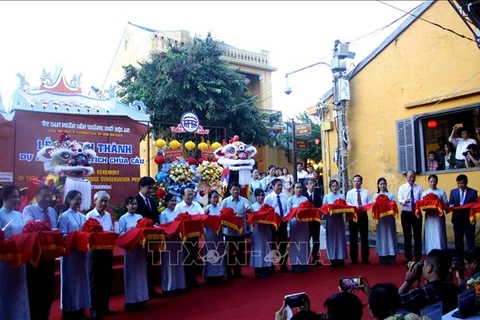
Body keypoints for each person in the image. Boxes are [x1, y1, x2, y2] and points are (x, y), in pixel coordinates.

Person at [23, 185, 58, 320]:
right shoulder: (29, 209)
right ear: (37, 196)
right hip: (35, 256)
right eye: (44, 195)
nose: (47, 199)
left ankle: (45, 315)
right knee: (35, 288)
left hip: (49, 255)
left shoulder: (52, 211)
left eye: (49, 196)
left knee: (48, 288)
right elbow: (28, 226)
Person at [58, 190, 91, 320]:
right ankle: (70, 312)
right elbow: (62, 234)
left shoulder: (83, 216)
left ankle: (81, 309)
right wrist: (76, 237)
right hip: (70, 254)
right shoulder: (64, 216)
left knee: (82, 281)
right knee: (70, 282)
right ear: (69, 200)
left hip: (82, 253)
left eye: (80, 199)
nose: (78, 201)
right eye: (76, 199)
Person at [0, 185, 31, 320]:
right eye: (13, 196)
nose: (17, 199)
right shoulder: (0, 214)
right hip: (5, 260)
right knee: (6, 291)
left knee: (19, 291)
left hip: (20, 258)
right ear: (4, 197)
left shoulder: (19, 214)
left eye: (18, 196)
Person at [85, 191, 116, 319]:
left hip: (107, 251)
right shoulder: (89, 216)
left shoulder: (108, 215)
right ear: (95, 201)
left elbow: (110, 230)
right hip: (94, 252)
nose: (103, 204)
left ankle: (105, 307)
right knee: (95, 281)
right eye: (101, 201)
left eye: (106, 201)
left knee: (106, 280)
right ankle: (94, 309)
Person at [399, 249, 459, 315]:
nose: (423, 267)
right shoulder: (455, 289)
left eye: (424, 264)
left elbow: (393, 303)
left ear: (429, 268)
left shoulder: (420, 294)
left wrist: (408, 281)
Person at [118, 196, 149, 311]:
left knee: (140, 272)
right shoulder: (123, 218)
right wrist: (132, 235)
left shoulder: (140, 217)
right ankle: (131, 300)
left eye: (136, 204)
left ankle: (141, 298)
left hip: (140, 248)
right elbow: (121, 234)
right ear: (126, 205)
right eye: (132, 204)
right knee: (131, 274)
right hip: (130, 248)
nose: (134, 206)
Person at [135, 176, 161, 298]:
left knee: (153, 263)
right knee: (144, 263)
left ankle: (151, 288)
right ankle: (144, 289)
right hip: (142, 238)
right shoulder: (135, 201)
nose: (150, 191)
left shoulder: (152, 200)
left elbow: (155, 216)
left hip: (153, 237)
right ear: (141, 187)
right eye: (148, 188)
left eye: (152, 188)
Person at [175, 187, 204, 288]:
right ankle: (186, 280)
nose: (191, 196)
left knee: (193, 256)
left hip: (194, 235)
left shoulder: (196, 205)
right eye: (188, 194)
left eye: (192, 194)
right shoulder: (178, 207)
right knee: (185, 257)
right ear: (183, 196)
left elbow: (202, 214)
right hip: (184, 237)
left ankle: (193, 279)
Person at [159, 193, 187, 294]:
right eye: (171, 201)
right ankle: (169, 287)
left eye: (175, 201)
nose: (174, 203)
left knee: (178, 262)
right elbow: (163, 228)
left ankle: (179, 285)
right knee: (169, 264)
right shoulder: (163, 214)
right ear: (166, 202)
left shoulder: (177, 214)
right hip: (169, 242)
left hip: (177, 241)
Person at [221, 182, 250, 279]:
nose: (235, 191)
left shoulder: (244, 200)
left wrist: (248, 209)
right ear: (230, 191)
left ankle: (238, 272)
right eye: (233, 189)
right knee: (229, 253)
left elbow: (248, 207)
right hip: (229, 233)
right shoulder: (225, 201)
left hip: (241, 232)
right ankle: (228, 272)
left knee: (240, 253)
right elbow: (221, 216)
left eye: (237, 189)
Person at [449, 174, 478, 260]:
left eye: (461, 183)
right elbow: (450, 203)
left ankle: (472, 259)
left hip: (468, 220)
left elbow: (475, 206)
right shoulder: (453, 192)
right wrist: (451, 205)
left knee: (470, 241)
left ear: (466, 183)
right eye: (458, 183)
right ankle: (459, 258)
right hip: (457, 220)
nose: (460, 185)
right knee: (458, 241)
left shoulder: (473, 192)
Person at [397, 169, 424, 263]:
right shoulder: (402, 188)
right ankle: (408, 257)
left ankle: (418, 256)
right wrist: (405, 201)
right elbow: (400, 199)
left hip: (416, 213)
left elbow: (422, 199)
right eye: (410, 177)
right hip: (406, 213)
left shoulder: (419, 188)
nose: (411, 179)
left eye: (413, 177)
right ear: (406, 177)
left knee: (418, 236)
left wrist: (419, 203)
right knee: (407, 236)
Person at [264, 178, 290, 272]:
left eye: (280, 185)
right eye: (278, 185)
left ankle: (283, 265)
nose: (280, 187)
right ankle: (271, 265)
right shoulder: (268, 198)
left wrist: (285, 218)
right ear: (273, 186)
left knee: (283, 244)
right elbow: (266, 211)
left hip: (282, 223)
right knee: (272, 245)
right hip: (273, 224)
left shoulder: (284, 197)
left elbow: (287, 210)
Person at [345, 174, 371, 265]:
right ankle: (354, 258)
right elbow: (347, 203)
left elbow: (369, 203)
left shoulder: (366, 192)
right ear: (352, 182)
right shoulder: (350, 192)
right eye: (355, 181)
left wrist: (363, 207)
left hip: (363, 214)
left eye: (358, 181)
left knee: (364, 237)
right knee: (353, 237)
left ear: (361, 182)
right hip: (353, 215)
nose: (356, 183)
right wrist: (354, 207)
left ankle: (365, 258)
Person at [202, 190, 226, 284]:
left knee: (220, 253)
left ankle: (220, 274)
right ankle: (209, 275)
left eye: (217, 197)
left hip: (219, 234)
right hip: (210, 234)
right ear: (209, 198)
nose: (216, 199)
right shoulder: (206, 209)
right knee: (210, 253)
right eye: (214, 197)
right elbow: (203, 223)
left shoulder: (221, 209)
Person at [322, 180, 348, 267]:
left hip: (339, 219)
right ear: (330, 187)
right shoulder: (326, 197)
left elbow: (345, 207)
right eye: (333, 186)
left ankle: (341, 257)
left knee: (340, 238)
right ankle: (332, 258)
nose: (335, 188)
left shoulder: (342, 196)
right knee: (332, 239)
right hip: (331, 220)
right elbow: (324, 209)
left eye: (336, 186)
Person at [249, 188, 274, 278]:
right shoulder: (252, 207)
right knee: (258, 249)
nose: (261, 197)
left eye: (262, 195)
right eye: (258, 196)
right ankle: (258, 269)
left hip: (266, 230)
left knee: (267, 248)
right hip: (257, 230)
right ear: (255, 197)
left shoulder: (267, 206)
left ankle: (267, 267)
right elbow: (250, 220)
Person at [372, 178, 398, 265]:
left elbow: (394, 204)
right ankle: (382, 256)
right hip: (380, 220)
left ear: (386, 185)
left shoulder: (391, 195)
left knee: (390, 236)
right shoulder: (375, 196)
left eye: (384, 184)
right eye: (380, 184)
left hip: (389, 219)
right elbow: (373, 207)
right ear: (378, 185)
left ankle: (391, 256)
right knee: (382, 237)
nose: (382, 186)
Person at [421, 175, 448, 254]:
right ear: (428, 182)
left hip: (439, 216)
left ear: (437, 182)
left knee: (439, 233)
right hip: (429, 217)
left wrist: (439, 202)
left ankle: (441, 251)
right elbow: (423, 208)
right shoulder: (424, 193)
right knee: (430, 234)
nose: (433, 183)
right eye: (431, 181)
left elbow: (446, 204)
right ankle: (429, 251)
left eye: (434, 181)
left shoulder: (441, 192)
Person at [287, 182, 310, 273]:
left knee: (304, 243)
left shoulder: (305, 199)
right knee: (295, 244)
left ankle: (305, 263)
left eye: (300, 188)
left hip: (304, 224)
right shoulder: (290, 200)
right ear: (293, 189)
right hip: (294, 224)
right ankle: (295, 264)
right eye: (297, 188)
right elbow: (288, 213)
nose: (299, 189)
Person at [303, 178, 322, 265]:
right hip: (306, 222)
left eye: (313, 183)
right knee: (306, 240)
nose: (312, 185)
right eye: (310, 183)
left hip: (315, 221)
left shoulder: (318, 196)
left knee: (316, 240)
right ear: (306, 185)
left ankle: (316, 258)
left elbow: (320, 208)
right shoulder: (303, 196)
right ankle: (306, 258)